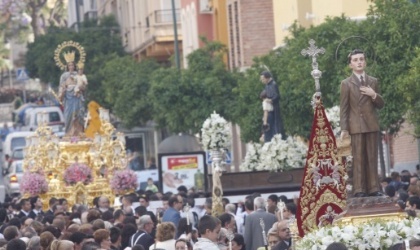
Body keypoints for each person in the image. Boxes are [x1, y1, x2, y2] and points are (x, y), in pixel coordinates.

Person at [340, 49, 385, 197]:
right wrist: (344, 128)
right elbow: (344, 108)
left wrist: (374, 95)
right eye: (355, 60)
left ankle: (374, 187)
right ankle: (359, 189)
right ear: (350, 64)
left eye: (361, 59)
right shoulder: (346, 83)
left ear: (365, 62)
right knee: (358, 158)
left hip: (371, 124)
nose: (359, 62)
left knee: (372, 157)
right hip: (356, 126)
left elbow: (380, 104)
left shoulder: (373, 81)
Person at [58, 57, 86, 136]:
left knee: (78, 115)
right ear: (67, 66)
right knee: (68, 117)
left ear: (75, 66)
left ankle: (79, 133)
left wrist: (80, 87)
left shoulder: (79, 75)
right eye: (69, 65)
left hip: (77, 99)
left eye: (72, 65)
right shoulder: (64, 76)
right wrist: (62, 93)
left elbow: (84, 87)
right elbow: (61, 88)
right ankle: (69, 133)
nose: (71, 67)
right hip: (68, 100)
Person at [260, 71, 285, 142]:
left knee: (274, 125)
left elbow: (276, 96)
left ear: (267, 77)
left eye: (263, 79)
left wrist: (270, 100)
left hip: (274, 108)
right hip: (270, 108)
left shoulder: (273, 84)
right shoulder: (267, 86)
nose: (262, 81)